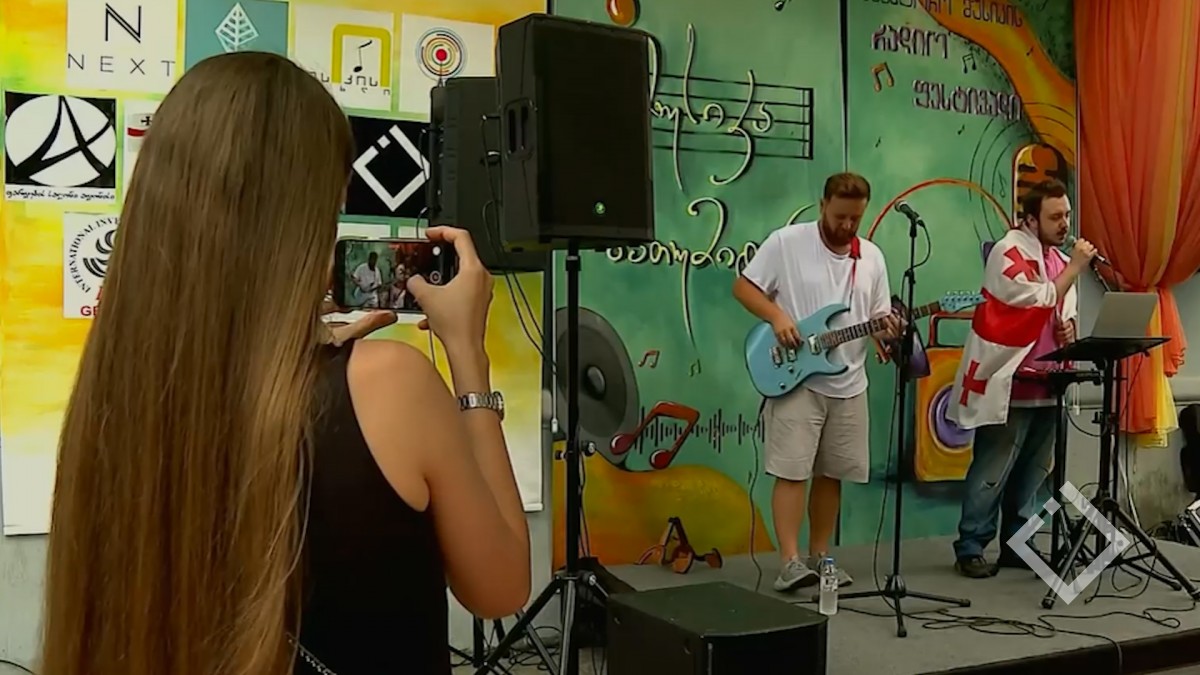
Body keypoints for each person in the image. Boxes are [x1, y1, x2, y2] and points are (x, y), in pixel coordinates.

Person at [39, 52, 530, 675]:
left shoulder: (114, 397)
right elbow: (502, 587)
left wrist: (300, 341)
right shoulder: (392, 385)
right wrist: (467, 354)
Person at [733, 172, 900, 592]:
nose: (847, 225)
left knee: (832, 473)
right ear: (822, 204)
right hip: (798, 378)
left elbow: (877, 317)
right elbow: (744, 287)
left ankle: (820, 556)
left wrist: (886, 333)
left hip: (850, 381)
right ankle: (789, 562)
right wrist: (777, 316)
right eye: (840, 216)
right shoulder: (787, 243)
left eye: (855, 218)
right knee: (792, 471)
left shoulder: (872, 258)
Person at [947, 179, 1095, 578]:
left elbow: (1060, 309)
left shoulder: (1059, 261)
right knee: (993, 468)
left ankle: (1018, 543)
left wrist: (1068, 332)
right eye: (1055, 216)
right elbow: (1035, 298)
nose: (1065, 224)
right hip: (1010, 380)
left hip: (1049, 381)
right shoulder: (1008, 251)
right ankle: (971, 545)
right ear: (1030, 219)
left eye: (1067, 215)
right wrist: (1076, 268)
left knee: (1034, 471)